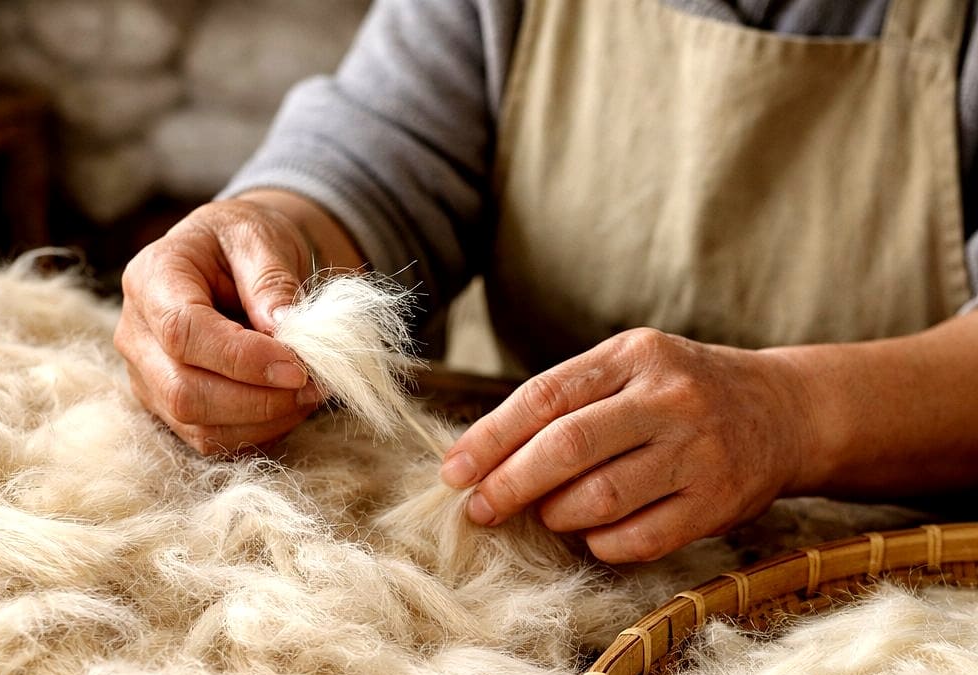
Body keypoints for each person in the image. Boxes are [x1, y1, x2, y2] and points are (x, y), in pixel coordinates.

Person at [114, 0, 978, 564]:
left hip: (891, 583)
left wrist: (793, 414)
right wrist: (267, 247)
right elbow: (379, 155)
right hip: (539, 549)